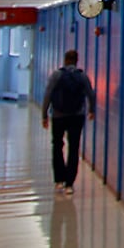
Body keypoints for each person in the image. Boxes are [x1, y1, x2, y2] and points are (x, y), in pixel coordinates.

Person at [41, 49, 95, 196]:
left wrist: (44, 115)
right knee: (74, 147)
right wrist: (92, 110)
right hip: (77, 116)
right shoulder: (82, 76)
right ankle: (69, 184)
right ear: (76, 60)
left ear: (65, 60)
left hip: (58, 116)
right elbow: (91, 93)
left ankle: (59, 180)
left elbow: (48, 94)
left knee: (57, 145)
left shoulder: (57, 75)